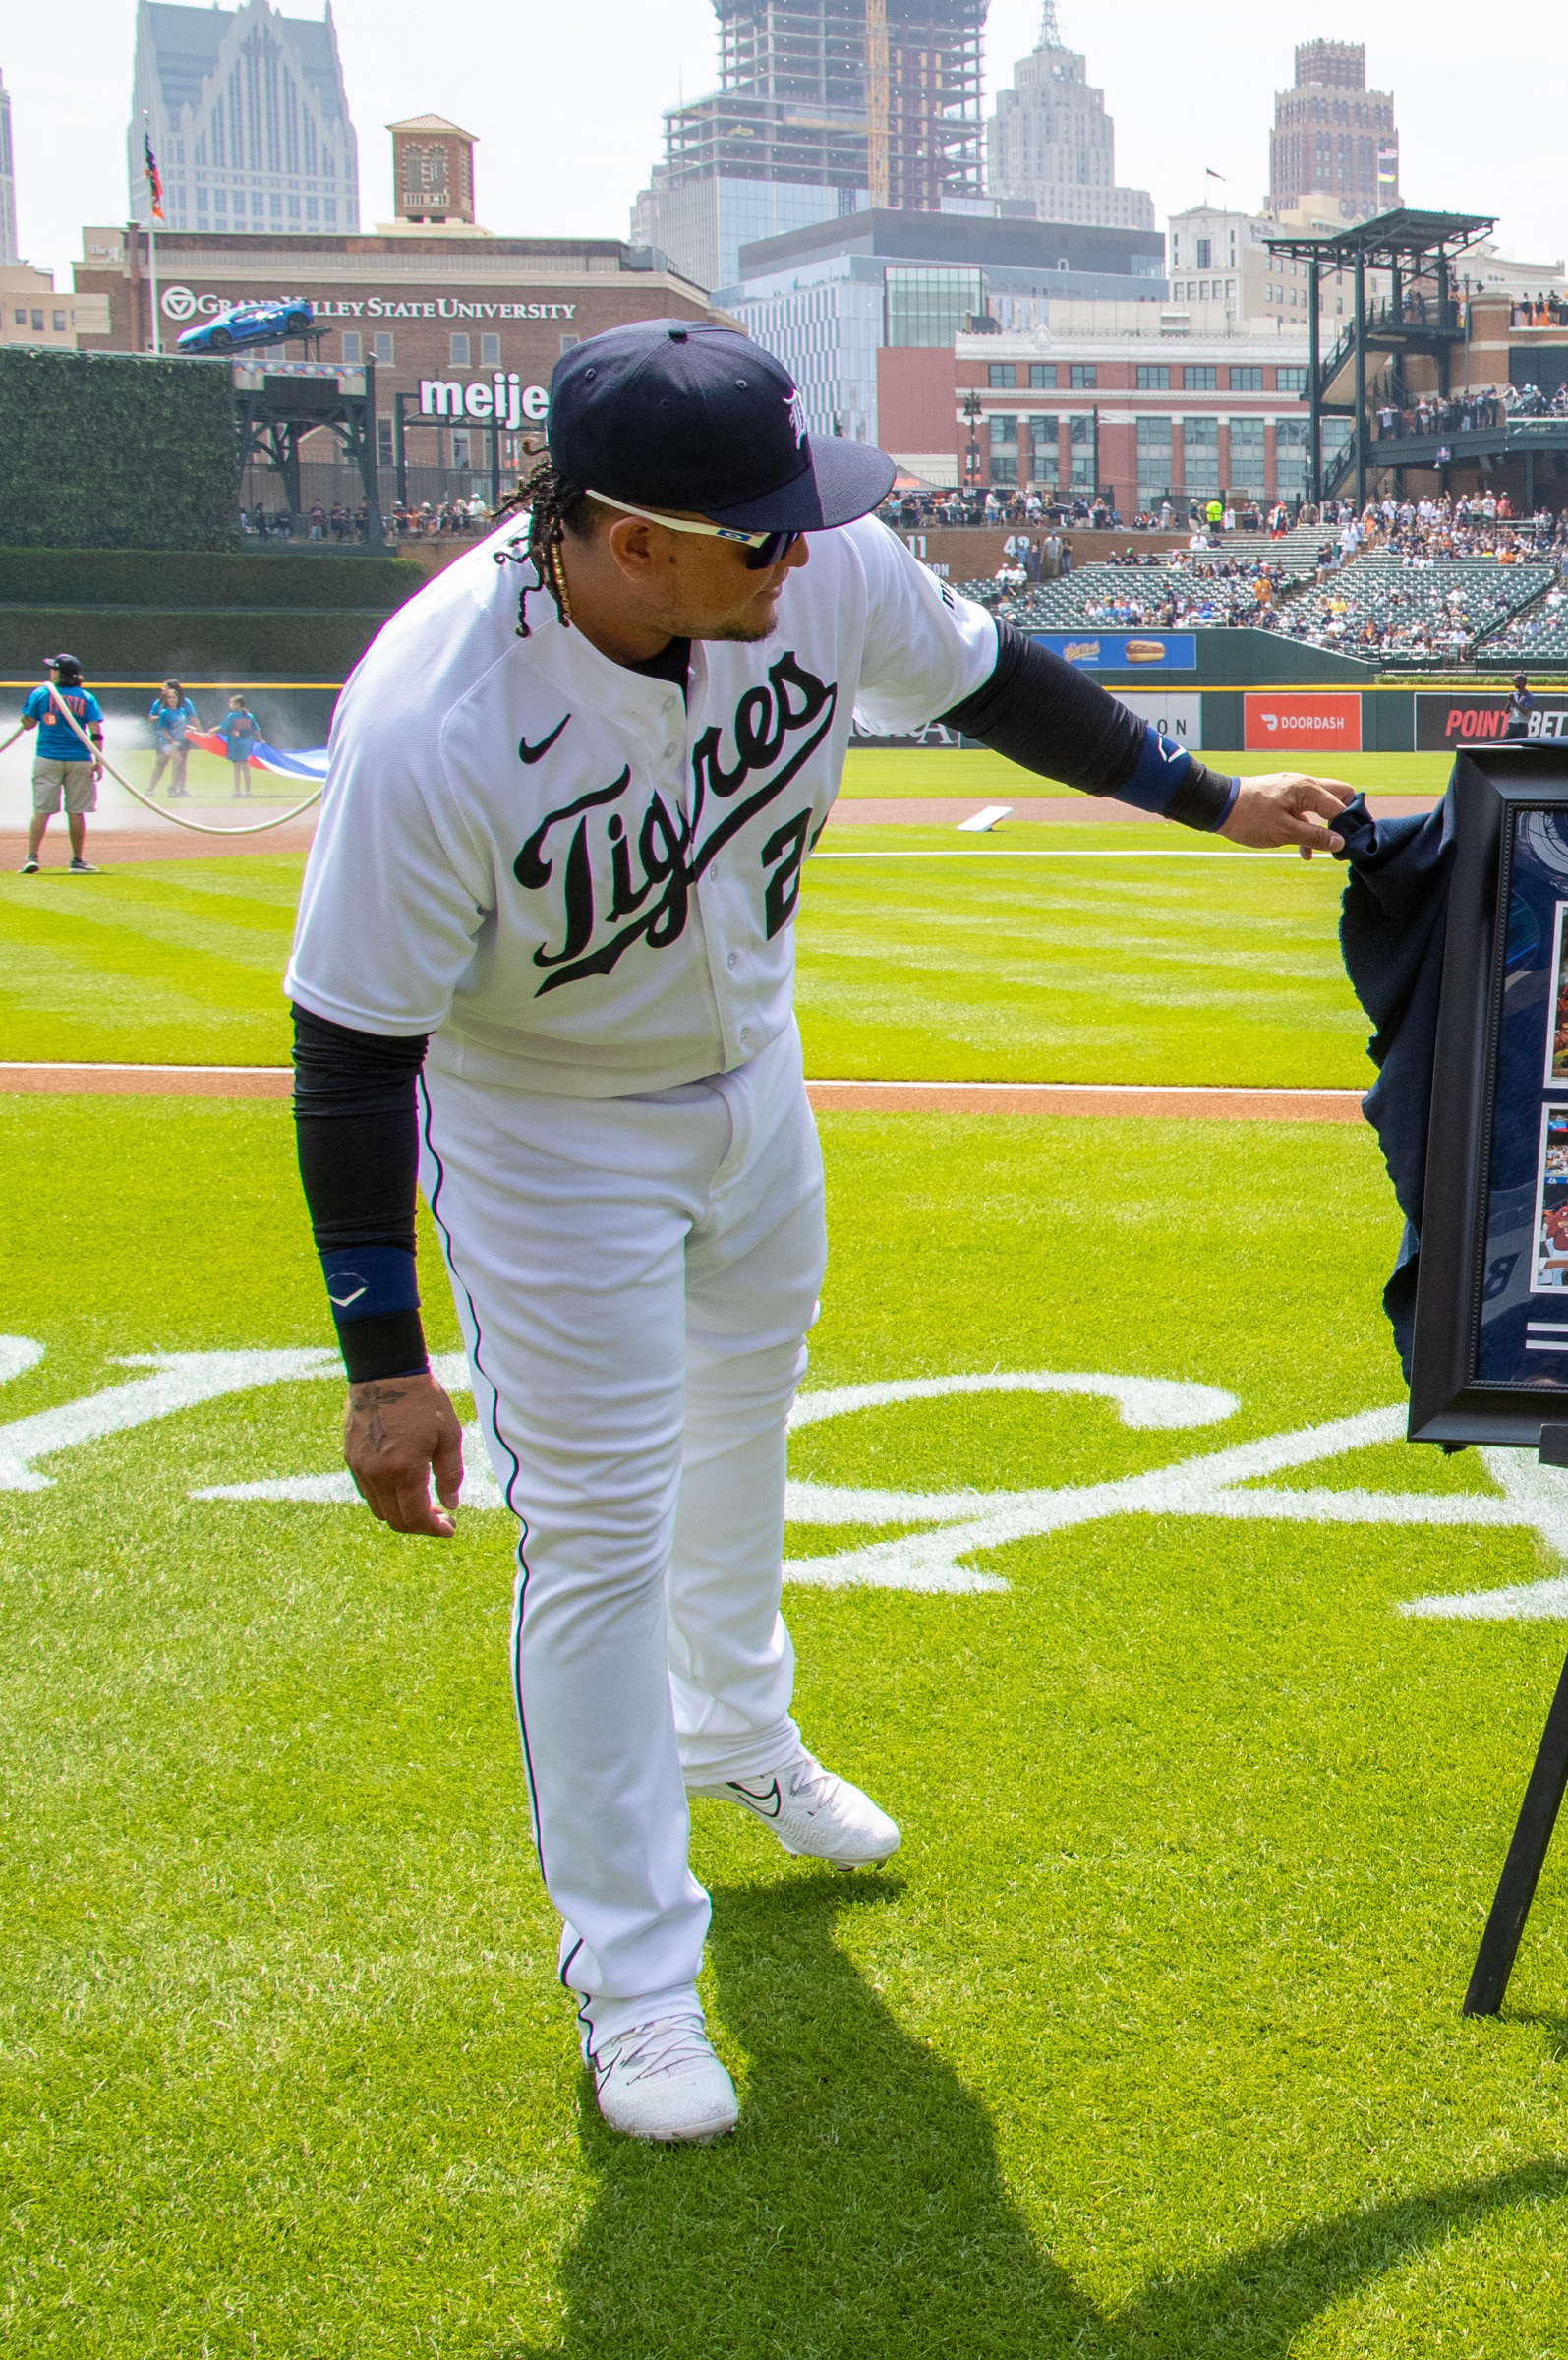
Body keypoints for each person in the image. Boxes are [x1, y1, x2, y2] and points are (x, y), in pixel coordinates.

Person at [280, 320, 1354, 2150]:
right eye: (757, 534)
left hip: (750, 1071)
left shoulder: (808, 568)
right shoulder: (435, 719)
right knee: (601, 1536)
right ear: (627, 541)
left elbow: (999, 680)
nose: (806, 551)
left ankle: (741, 1736)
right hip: (548, 1127)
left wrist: (1210, 800)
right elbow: (350, 1052)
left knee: (746, 1422)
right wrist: (386, 1367)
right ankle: (632, 1981)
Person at [9, 654, 104, 873]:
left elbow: (28, 724)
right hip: (80, 759)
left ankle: (31, 857)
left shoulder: (41, 693)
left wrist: (29, 711)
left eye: (53, 669)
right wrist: (99, 760)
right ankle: (77, 861)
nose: (50, 672)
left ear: (59, 673)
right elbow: (96, 733)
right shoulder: (86, 697)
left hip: (48, 758)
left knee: (42, 809)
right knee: (76, 811)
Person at [149, 679, 198, 799]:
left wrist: (197, 731)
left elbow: (190, 719)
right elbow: (152, 718)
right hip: (166, 739)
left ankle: (180, 789)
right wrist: (164, 717)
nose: (162, 689)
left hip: (182, 739)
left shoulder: (184, 705)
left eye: (165, 687)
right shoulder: (161, 705)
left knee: (181, 764)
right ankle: (151, 788)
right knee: (161, 763)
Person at [219, 692, 262, 796]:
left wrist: (211, 731)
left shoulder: (232, 715)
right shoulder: (249, 715)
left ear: (238, 705)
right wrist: (261, 740)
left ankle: (237, 792)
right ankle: (248, 792)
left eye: (232, 703)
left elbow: (223, 727)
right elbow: (256, 730)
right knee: (246, 767)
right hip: (247, 744)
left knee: (237, 768)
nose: (230, 705)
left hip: (236, 744)